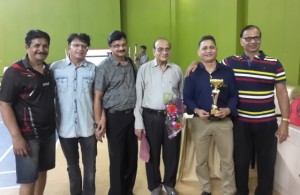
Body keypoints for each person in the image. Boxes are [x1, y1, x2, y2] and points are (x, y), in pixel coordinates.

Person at [186, 25, 290, 195]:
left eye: (256, 37)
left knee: (266, 163)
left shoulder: (274, 64)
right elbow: (211, 63)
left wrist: (285, 121)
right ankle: (240, 192)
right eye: (248, 38)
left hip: (266, 123)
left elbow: (282, 93)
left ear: (260, 40)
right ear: (241, 41)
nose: (252, 41)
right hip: (240, 122)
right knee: (240, 163)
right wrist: (196, 62)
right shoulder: (230, 62)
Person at [0, 29, 56, 195]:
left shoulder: (48, 70)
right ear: (27, 47)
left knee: (42, 172)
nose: (41, 49)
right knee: (28, 179)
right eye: (36, 45)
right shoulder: (14, 72)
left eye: (45, 46)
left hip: (48, 134)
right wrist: (16, 137)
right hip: (28, 137)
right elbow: (4, 105)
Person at [183, 35, 238, 195]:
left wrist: (228, 110)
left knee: (227, 160)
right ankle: (206, 189)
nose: (208, 51)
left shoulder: (227, 72)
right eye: (204, 48)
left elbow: (234, 96)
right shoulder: (192, 72)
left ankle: (229, 190)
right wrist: (196, 110)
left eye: (211, 47)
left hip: (224, 122)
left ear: (216, 49)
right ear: (199, 52)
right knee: (201, 160)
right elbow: (187, 96)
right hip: (200, 122)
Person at [50, 33, 102, 195]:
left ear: (87, 49)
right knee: (72, 167)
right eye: (76, 45)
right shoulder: (55, 69)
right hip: (65, 129)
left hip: (88, 128)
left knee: (90, 168)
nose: (80, 49)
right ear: (69, 48)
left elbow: (98, 98)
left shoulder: (93, 70)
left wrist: (100, 122)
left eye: (84, 46)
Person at [134, 38, 184, 195]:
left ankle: (169, 185)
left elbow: (181, 94)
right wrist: (138, 122)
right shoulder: (144, 69)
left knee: (172, 153)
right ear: (153, 51)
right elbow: (138, 98)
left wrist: (179, 115)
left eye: (167, 49)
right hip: (151, 116)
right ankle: (154, 186)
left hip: (173, 113)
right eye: (160, 49)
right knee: (152, 154)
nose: (164, 52)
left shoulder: (176, 70)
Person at [94, 30, 138, 195]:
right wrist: (99, 121)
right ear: (110, 47)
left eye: (123, 44)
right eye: (116, 45)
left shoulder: (132, 64)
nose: (121, 48)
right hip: (115, 118)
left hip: (132, 117)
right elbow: (97, 96)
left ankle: (128, 191)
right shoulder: (104, 68)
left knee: (132, 159)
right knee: (118, 158)